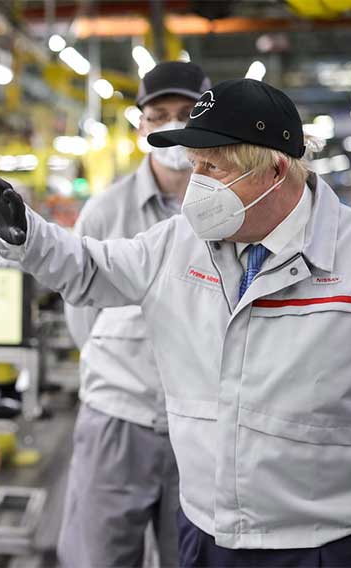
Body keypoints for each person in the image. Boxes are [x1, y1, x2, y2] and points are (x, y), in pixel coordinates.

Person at [0, 78, 351, 566]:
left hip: (330, 545)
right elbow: (91, 267)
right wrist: (28, 235)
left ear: (274, 169)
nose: (194, 182)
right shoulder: (177, 243)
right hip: (206, 536)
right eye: (193, 164)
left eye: (210, 167)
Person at [59, 61, 210, 568]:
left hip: (203, 426)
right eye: (159, 113)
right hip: (118, 421)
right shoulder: (104, 212)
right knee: (97, 557)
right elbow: (82, 317)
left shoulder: (231, 212)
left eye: (187, 113)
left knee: (189, 558)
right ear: (142, 125)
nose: (171, 124)